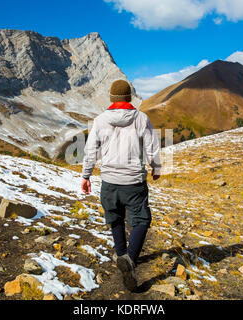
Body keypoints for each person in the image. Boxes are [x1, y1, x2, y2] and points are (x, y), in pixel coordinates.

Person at [81, 79, 161, 292]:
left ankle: (121, 253)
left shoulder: (99, 120)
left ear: (111, 98)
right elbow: (152, 148)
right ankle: (130, 259)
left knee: (115, 216)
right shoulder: (141, 119)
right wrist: (156, 168)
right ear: (129, 97)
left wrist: (86, 175)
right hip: (134, 181)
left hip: (109, 181)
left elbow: (90, 151)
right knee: (142, 219)